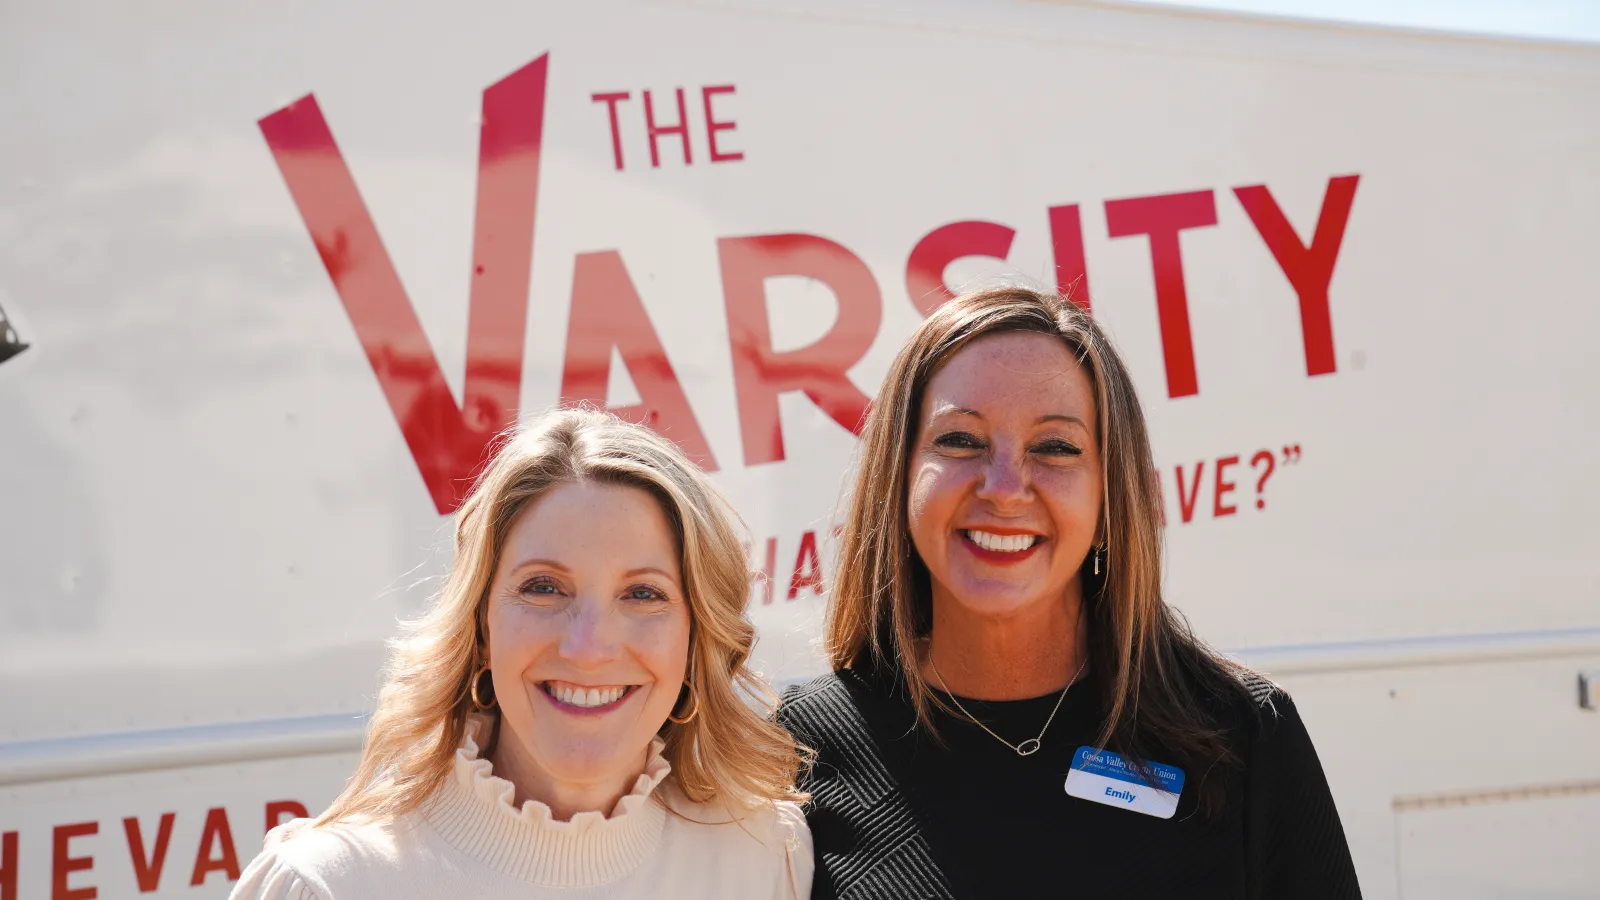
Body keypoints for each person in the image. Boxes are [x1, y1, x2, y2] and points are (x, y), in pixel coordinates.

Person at [778, 287, 1360, 899]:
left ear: (1112, 495)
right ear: (898, 477)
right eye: (960, 440)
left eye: (1055, 447)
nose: (1005, 488)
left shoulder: (1241, 739)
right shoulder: (799, 754)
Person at [233, 408, 813, 899]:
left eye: (643, 594)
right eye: (542, 587)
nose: (587, 648)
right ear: (481, 627)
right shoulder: (331, 883)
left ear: (696, 642)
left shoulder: (765, 858)